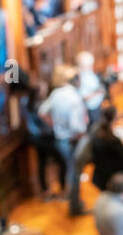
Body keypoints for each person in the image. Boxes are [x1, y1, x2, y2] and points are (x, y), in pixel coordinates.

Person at [38, 67, 90, 217]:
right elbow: (76, 127)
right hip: (72, 140)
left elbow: (42, 112)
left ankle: (74, 203)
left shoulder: (56, 94)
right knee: (74, 173)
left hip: (60, 139)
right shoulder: (74, 97)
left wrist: (55, 125)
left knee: (69, 170)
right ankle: (75, 206)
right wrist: (80, 135)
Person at [74, 51, 106, 122]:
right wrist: (96, 93)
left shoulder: (89, 73)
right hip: (89, 109)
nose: (91, 66)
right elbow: (83, 97)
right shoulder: (80, 77)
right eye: (89, 65)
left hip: (96, 105)